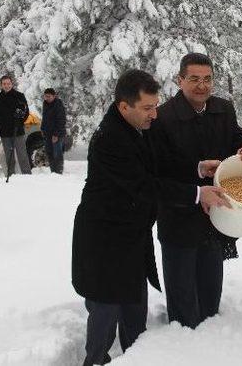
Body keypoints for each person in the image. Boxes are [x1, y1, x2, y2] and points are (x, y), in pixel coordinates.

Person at [71, 69, 230, 366]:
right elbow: (144, 185)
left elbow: (162, 163)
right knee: (106, 310)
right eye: (147, 107)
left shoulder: (138, 128)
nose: (154, 114)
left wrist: (197, 168)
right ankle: (96, 360)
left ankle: (135, 357)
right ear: (124, 106)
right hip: (104, 241)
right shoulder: (109, 140)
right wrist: (197, 194)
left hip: (132, 237)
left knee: (134, 309)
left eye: (155, 105)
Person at [150, 53, 242, 329]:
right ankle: (184, 344)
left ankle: (210, 337)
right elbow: (158, 169)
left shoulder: (222, 108)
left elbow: (236, 135)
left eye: (207, 79)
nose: (202, 86)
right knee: (183, 295)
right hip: (178, 216)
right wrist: (196, 171)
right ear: (180, 80)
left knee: (210, 291)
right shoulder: (163, 118)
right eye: (194, 79)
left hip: (214, 217)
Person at [0, 75, 31, 176]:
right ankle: (11, 176)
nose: (6, 86)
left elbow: (26, 111)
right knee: (9, 157)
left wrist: (21, 119)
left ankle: (27, 175)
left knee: (22, 155)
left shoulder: (19, 96)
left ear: (11, 84)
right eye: (4, 84)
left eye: (8, 83)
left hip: (17, 131)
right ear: (1, 85)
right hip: (5, 132)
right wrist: (0, 124)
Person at [40, 88, 66, 174]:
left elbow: (61, 121)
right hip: (47, 134)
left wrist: (56, 134)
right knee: (49, 153)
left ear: (54, 96)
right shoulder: (45, 104)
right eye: (45, 96)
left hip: (57, 134)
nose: (47, 98)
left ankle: (59, 172)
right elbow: (44, 118)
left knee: (57, 154)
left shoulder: (58, 105)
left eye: (49, 96)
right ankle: (53, 172)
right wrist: (42, 129)